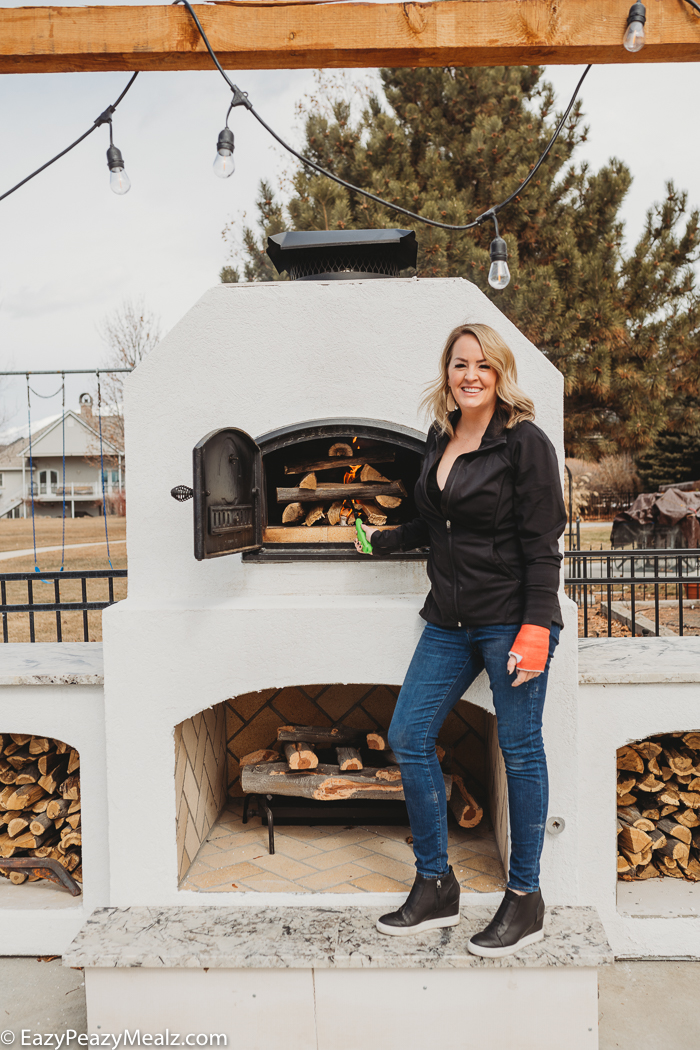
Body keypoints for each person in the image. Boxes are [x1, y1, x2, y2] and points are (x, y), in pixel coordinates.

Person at [354, 322, 566, 958]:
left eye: (483, 365)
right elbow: (436, 520)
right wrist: (383, 540)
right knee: (408, 738)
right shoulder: (441, 435)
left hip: (510, 620)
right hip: (446, 621)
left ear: (501, 373)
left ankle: (525, 898)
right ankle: (435, 883)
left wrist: (535, 628)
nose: (470, 375)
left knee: (520, 747)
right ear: (446, 372)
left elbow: (541, 542)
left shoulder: (524, 443)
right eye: (459, 364)